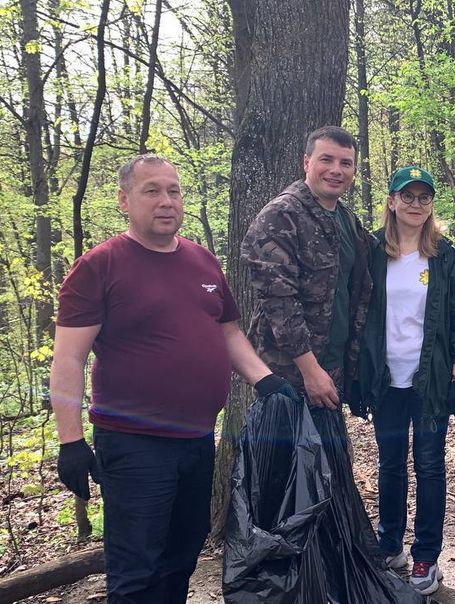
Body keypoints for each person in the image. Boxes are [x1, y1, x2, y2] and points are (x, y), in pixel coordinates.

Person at [51, 154, 295, 603]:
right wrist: (71, 442)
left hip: (197, 440)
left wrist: (265, 380)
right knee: (137, 568)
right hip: (133, 444)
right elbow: (68, 358)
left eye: (173, 191)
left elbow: (228, 332)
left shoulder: (202, 261)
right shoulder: (100, 266)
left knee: (181, 557)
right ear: (124, 200)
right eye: (152, 191)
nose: (166, 201)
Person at [355, 166, 455, 595]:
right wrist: (356, 372)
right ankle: (390, 544)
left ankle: (426, 555)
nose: (415, 204)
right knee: (390, 463)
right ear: (391, 201)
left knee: (429, 466)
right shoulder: (371, 250)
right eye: (406, 196)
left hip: (430, 380)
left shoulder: (443, 255)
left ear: (431, 205)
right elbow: (355, 310)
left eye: (423, 197)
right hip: (385, 380)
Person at [241, 125, 373, 409]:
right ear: (306, 162)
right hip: (288, 377)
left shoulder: (347, 221)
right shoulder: (281, 216)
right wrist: (310, 370)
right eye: (327, 159)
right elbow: (279, 301)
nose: (336, 170)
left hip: (332, 368)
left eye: (345, 163)